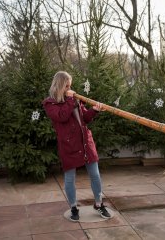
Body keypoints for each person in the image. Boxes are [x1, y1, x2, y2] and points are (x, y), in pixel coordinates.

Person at [42, 71, 111, 222]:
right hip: (68, 145)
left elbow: (84, 118)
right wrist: (70, 100)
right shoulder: (50, 103)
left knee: (95, 175)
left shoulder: (74, 99)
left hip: (85, 141)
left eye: (70, 85)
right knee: (69, 178)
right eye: (67, 85)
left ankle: (99, 204)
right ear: (60, 85)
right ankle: (73, 207)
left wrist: (94, 110)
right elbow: (61, 116)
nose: (69, 88)